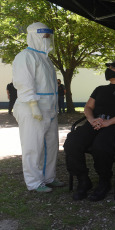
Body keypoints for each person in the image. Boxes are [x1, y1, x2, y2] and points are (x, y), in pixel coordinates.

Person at [64, 61, 115, 202]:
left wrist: (108, 122)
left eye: (112, 68)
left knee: (101, 147)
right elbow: (88, 107)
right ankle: (83, 180)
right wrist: (92, 120)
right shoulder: (99, 89)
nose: (108, 70)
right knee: (72, 142)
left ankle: (104, 181)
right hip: (94, 124)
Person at [12, 22, 64, 192]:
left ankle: (48, 177)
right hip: (31, 108)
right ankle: (34, 182)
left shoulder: (46, 59)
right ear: (34, 36)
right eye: (44, 36)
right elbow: (24, 82)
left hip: (49, 109)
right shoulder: (25, 56)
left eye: (49, 36)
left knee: (51, 145)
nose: (47, 39)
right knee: (32, 146)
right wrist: (34, 105)